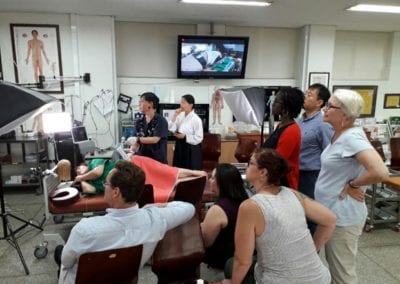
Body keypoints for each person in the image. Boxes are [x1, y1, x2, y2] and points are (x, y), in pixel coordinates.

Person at [56, 160, 196, 284]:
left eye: (106, 183)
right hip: (124, 279)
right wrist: (154, 207)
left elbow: (66, 262)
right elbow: (189, 208)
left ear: (116, 192)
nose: (104, 186)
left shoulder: (84, 229)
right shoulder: (156, 219)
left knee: (61, 255)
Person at [225, 148, 336, 284]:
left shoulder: (250, 206)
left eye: (251, 163)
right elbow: (330, 219)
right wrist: (313, 250)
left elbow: (242, 261)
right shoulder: (292, 194)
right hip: (320, 279)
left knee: (231, 266)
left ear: (263, 172)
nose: (247, 166)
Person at [314, 89, 389, 284]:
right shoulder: (340, 134)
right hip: (331, 212)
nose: (325, 109)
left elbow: (381, 172)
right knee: (334, 267)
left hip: (343, 216)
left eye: (330, 106)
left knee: (342, 274)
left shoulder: (351, 137)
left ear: (345, 115)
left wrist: (353, 184)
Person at [200, 164, 248, 282]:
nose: (210, 181)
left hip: (220, 269)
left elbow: (205, 241)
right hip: (242, 266)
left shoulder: (218, 209)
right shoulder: (246, 202)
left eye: (213, 178)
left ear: (221, 182)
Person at [298, 84, 333, 235]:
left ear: (320, 102)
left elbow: (329, 152)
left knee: (310, 214)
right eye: (306, 93)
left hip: (312, 175)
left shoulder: (323, 124)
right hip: (297, 173)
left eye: (310, 95)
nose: (305, 97)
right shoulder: (300, 120)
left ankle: (312, 251)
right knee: (298, 212)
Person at [262, 87, 304, 189]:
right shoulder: (281, 125)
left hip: (284, 183)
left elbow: (278, 160)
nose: (273, 104)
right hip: (274, 179)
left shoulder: (292, 131)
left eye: (276, 102)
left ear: (286, 107)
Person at [130, 154, 207, 203]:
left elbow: (155, 139)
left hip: (140, 161)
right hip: (136, 165)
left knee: (166, 170)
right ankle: (192, 174)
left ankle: (193, 173)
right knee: (167, 172)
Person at [168, 94, 204, 170]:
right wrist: (174, 115)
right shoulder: (180, 115)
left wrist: (185, 136)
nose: (181, 105)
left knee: (189, 170)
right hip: (180, 145)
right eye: (181, 102)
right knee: (178, 169)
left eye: (183, 103)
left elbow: (199, 138)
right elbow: (171, 128)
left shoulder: (196, 119)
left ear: (191, 105)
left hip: (191, 148)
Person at [131, 92, 168, 164]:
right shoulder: (139, 122)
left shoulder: (161, 120)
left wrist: (138, 139)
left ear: (150, 104)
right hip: (141, 159)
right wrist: (132, 148)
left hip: (157, 160)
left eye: (141, 102)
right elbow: (135, 141)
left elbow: (155, 139)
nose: (139, 104)